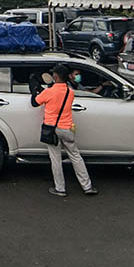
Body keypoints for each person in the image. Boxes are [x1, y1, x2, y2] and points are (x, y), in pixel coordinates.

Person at [32, 63, 96, 197]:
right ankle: (87, 186)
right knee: (76, 156)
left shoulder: (48, 92)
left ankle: (60, 189)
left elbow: (35, 102)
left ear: (55, 76)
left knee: (56, 159)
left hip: (52, 130)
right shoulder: (70, 92)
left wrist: (35, 89)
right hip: (67, 128)